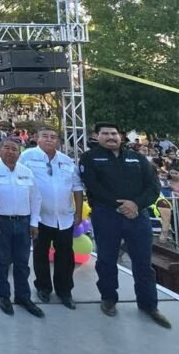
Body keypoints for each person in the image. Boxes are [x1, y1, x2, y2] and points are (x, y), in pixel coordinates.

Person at [79, 122, 171, 328]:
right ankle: (109, 299)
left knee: (143, 263)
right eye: (105, 134)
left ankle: (149, 305)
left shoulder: (137, 158)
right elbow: (93, 186)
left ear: (120, 136)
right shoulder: (89, 158)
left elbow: (153, 186)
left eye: (114, 133)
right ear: (97, 136)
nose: (110, 137)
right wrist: (119, 205)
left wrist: (135, 204)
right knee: (106, 259)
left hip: (138, 216)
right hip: (106, 215)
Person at [19, 127, 83, 310]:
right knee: (40, 253)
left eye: (53, 137)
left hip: (64, 217)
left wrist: (78, 213)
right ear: (37, 139)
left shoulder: (67, 161)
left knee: (66, 255)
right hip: (39, 216)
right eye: (45, 136)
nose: (49, 139)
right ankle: (43, 287)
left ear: (59, 141)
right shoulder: (27, 157)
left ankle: (65, 291)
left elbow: (77, 188)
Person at [0, 139, 44, 318]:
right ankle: (4, 296)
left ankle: (23, 296)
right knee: (1, 261)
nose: (10, 152)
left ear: (20, 152)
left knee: (22, 263)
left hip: (24, 223)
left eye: (15, 149)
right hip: (1, 222)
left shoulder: (27, 172)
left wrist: (34, 222)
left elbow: (35, 199)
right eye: (6, 148)